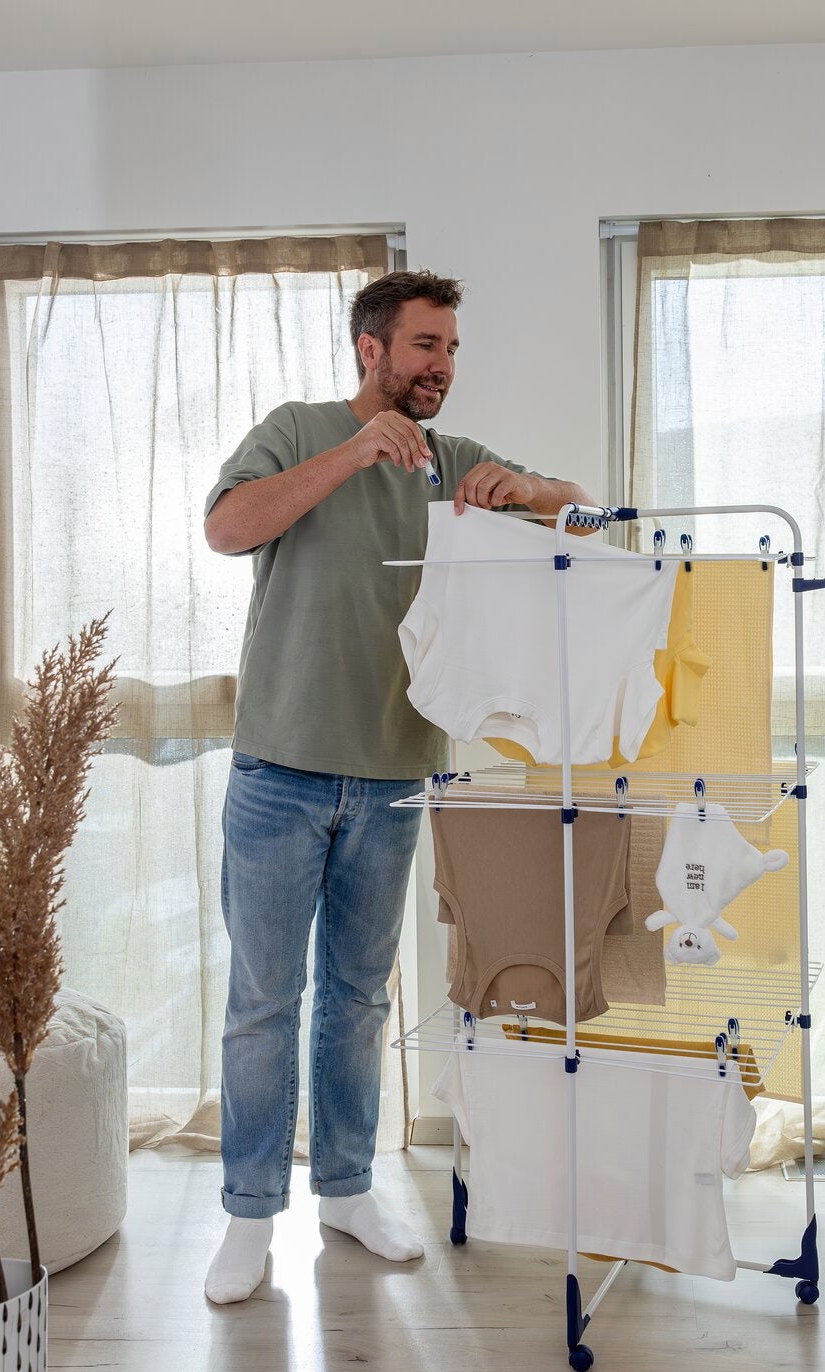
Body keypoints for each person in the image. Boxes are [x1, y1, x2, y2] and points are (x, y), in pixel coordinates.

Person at [200, 270, 592, 1304]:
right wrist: (349, 454)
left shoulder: (454, 461)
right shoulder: (297, 430)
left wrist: (536, 494)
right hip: (278, 771)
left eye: (452, 350)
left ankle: (344, 1190)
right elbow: (225, 528)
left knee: (359, 1001)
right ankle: (248, 1216)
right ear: (371, 349)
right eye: (426, 347)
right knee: (260, 1004)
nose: (443, 368)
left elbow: (589, 518)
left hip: (393, 781)